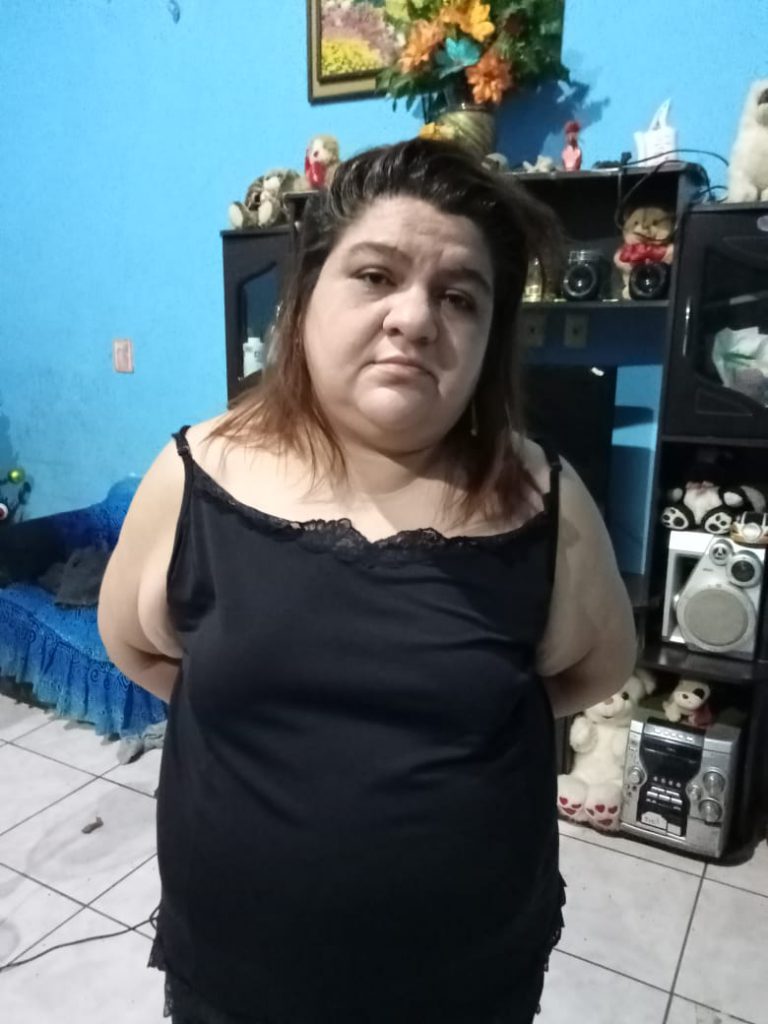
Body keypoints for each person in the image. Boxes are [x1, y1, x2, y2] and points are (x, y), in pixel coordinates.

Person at [98, 139, 636, 1024]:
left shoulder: (546, 502)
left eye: (459, 297)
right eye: (377, 276)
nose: (416, 319)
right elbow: (136, 647)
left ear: (490, 337)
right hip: (235, 980)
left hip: (468, 986)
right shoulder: (193, 476)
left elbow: (595, 670)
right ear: (305, 297)